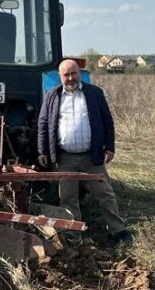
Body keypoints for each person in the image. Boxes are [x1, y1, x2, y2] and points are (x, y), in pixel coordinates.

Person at [37, 59, 131, 242]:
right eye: (66, 75)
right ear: (60, 76)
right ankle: (73, 233)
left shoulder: (94, 93)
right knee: (67, 197)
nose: (71, 78)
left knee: (105, 193)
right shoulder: (52, 96)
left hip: (91, 156)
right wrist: (42, 151)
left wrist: (110, 147)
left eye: (74, 73)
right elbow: (43, 124)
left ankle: (118, 230)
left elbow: (107, 121)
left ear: (80, 73)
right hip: (65, 157)